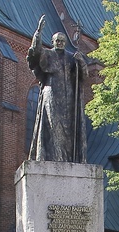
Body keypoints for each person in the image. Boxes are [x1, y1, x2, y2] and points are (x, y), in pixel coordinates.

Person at [27, 15, 88, 163]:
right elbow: (34, 54)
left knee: (69, 131)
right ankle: (53, 159)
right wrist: (38, 33)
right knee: (53, 127)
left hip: (70, 98)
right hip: (52, 94)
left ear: (65, 43)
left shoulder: (72, 57)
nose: (60, 43)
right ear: (52, 42)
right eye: (57, 41)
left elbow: (84, 76)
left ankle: (67, 160)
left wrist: (81, 62)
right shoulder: (47, 53)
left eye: (62, 41)